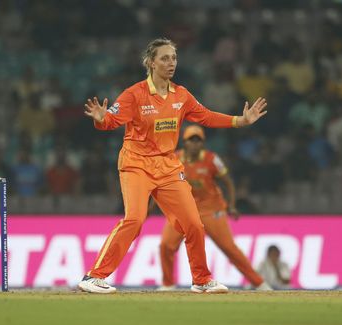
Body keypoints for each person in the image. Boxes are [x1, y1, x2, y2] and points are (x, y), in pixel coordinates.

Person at [79, 38, 267, 294]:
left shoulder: (182, 95)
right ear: (150, 62)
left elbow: (207, 116)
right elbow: (111, 121)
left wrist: (239, 121)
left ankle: (201, 280)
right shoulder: (134, 94)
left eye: (174, 58)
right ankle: (93, 277)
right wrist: (101, 120)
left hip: (167, 166)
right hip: (137, 164)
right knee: (135, 219)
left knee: (193, 223)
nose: (171, 63)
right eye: (165, 58)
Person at [158, 125, 272, 291]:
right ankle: (168, 284)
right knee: (166, 245)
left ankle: (259, 283)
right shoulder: (174, 159)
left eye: (198, 141)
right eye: (191, 140)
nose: (195, 144)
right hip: (183, 211)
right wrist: (151, 207)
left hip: (211, 210)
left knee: (228, 248)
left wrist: (231, 205)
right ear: (184, 142)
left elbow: (228, 182)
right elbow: (161, 184)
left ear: (203, 143)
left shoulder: (212, 159)